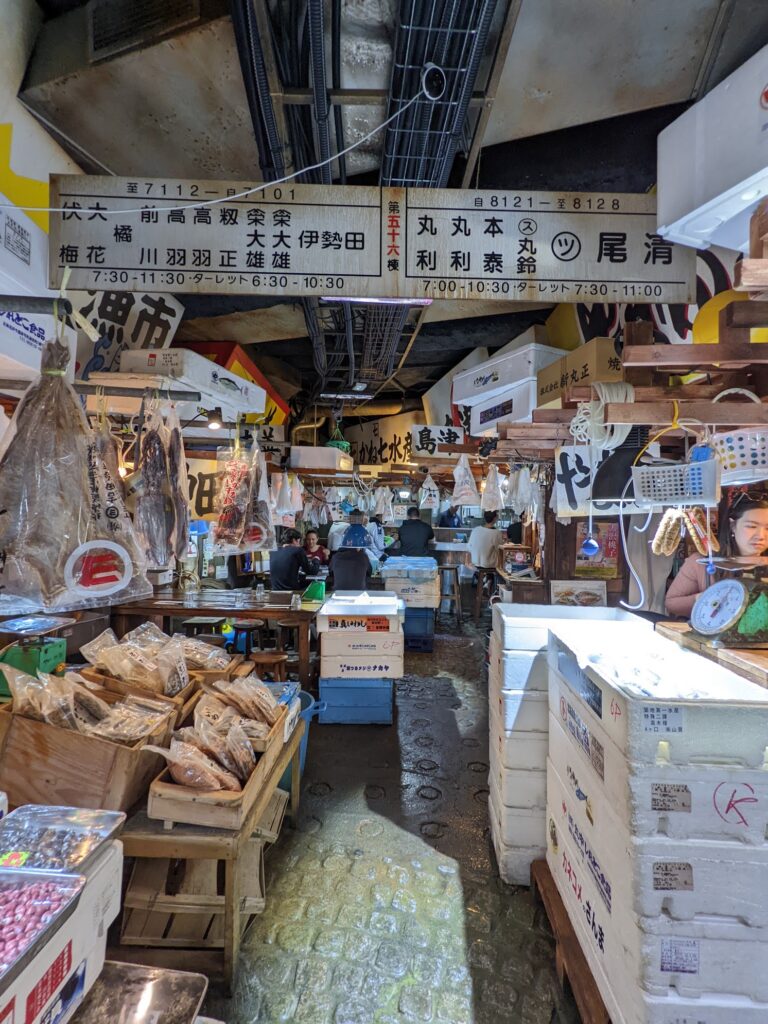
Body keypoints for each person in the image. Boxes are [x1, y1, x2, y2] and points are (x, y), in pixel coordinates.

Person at [665, 494, 768, 617]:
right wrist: (706, 598)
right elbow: (672, 603)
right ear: (733, 525)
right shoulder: (701, 562)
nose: (761, 536)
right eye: (752, 526)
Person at [331, 523, 372, 590]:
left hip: (338, 593)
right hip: (359, 594)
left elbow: (330, 572)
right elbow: (369, 572)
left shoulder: (336, 557)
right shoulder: (363, 557)